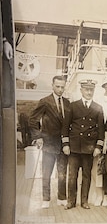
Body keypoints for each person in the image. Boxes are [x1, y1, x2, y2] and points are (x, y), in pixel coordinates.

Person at [62, 79, 105, 210]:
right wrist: (65, 144)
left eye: (91, 90)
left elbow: (101, 130)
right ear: (81, 90)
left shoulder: (98, 108)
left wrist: (98, 147)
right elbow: (65, 126)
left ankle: (84, 201)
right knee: (72, 175)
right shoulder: (73, 106)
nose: (89, 92)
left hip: (89, 148)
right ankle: (71, 201)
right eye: (86, 89)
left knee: (86, 175)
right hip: (74, 147)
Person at [28, 75, 70, 208]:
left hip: (63, 145)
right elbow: (32, 120)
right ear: (52, 85)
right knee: (47, 173)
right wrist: (38, 137)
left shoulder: (68, 103)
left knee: (62, 173)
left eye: (62, 87)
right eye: (57, 86)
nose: (60, 89)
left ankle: (62, 198)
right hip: (49, 144)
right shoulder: (44, 101)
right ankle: (45, 199)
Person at [88, 74, 107, 207]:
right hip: (99, 136)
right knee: (97, 167)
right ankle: (99, 194)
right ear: (104, 86)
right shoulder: (98, 99)